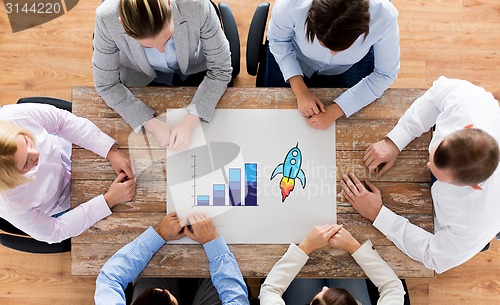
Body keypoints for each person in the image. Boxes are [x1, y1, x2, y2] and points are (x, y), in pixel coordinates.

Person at [340, 76, 500, 273]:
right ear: (466, 127)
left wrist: (378, 214)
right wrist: (396, 140)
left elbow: (433, 255)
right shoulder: (466, 101)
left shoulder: (475, 223)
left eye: (438, 174)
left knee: (467, 246)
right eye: (433, 154)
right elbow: (435, 96)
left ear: (474, 186)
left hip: (476, 222)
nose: (426, 164)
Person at [93, 0, 232, 152]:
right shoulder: (106, 17)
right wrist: (150, 123)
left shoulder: (195, 4)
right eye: (148, 46)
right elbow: (106, 85)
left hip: (194, 69)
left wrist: (191, 121)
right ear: (122, 24)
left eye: (167, 39)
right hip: (142, 78)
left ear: (169, 5)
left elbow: (220, 69)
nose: (161, 51)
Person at [0, 102, 136, 243]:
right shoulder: (8, 203)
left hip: (70, 149)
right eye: (26, 162)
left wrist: (110, 151)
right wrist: (109, 200)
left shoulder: (12, 116)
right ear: (12, 178)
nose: (37, 153)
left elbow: (61, 121)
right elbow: (55, 232)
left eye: (27, 142)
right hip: (63, 204)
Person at [94, 212, 250, 305]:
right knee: (225, 271)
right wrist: (212, 243)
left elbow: (109, 277)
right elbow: (237, 303)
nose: (165, 291)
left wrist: (158, 235)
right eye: (166, 294)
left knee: (152, 265)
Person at [266, 0, 400, 130]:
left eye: (343, 48)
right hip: (294, 55)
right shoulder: (291, 4)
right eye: (323, 44)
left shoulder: (385, 15)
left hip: (350, 66)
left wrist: (336, 110)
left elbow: (385, 74)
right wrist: (300, 90)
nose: (333, 54)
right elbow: (278, 40)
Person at [259, 224, 405, 305]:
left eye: (320, 295)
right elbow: (394, 289)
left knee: (302, 236)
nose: (325, 288)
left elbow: (270, 290)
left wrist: (305, 247)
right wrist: (353, 247)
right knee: (343, 258)